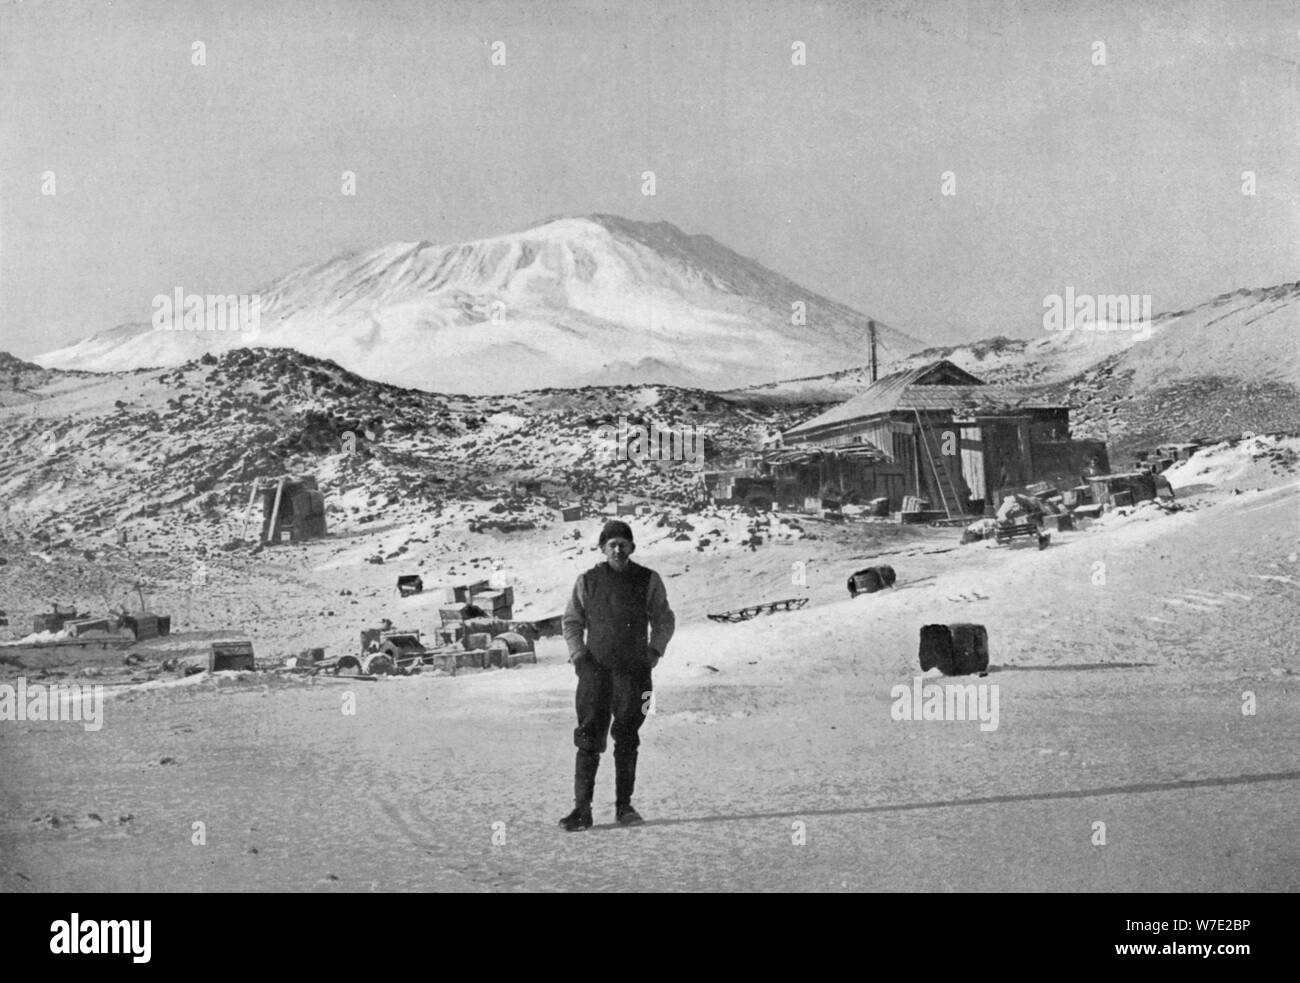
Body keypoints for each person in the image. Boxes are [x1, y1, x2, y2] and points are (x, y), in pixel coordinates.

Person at [559, 520, 675, 831]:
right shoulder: (588, 581)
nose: (618, 549)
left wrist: (653, 652)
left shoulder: (648, 580)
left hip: (635, 675)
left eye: (624, 543)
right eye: (612, 544)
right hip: (595, 674)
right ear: (602, 548)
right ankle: (581, 810)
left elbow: (664, 620)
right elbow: (571, 622)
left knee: (627, 738)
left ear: (633, 547)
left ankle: (625, 808)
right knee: (588, 738)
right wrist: (579, 657)